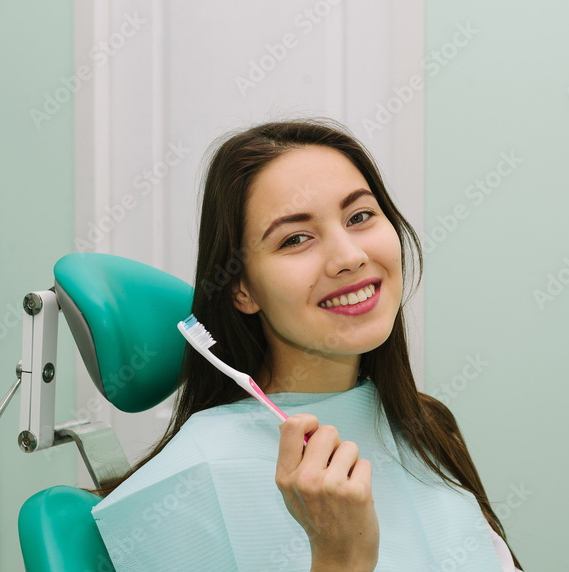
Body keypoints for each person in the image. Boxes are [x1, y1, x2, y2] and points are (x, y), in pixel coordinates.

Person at [90, 118, 522, 571]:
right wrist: (340, 558)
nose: (350, 257)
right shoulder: (183, 485)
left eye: (360, 216)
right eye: (296, 238)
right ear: (242, 289)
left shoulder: (427, 428)